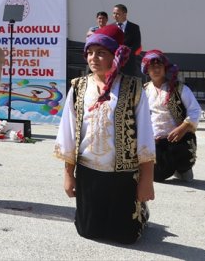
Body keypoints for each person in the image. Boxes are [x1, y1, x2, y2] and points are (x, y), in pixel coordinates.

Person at [54, 25, 155, 244]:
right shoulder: (79, 87)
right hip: (89, 173)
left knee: (126, 236)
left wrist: (146, 179)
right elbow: (68, 133)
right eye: (90, 52)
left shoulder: (133, 87)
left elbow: (146, 135)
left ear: (115, 55)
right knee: (88, 231)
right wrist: (68, 174)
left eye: (101, 53)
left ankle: (141, 211)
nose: (93, 58)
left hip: (122, 174)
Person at [142, 49, 201, 182]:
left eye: (159, 66)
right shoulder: (144, 90)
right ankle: (169, 167)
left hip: (178, 139)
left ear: (165, 68)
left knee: (184, 167)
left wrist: (183, 128)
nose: (156, 69)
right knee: (157, 176)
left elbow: (195, 110)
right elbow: (141, 117)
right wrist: (149, 136)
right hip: (155, 141)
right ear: (147, 70)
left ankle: (183, 168)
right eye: (152, 66)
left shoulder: (179, 88)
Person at [112, 4, 142, 77]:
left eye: (117, 14)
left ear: (125, 14)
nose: (115, 16)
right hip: (113, 63)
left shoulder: (134, 27)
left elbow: (137, 44)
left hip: (129, 63)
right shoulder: (111, 27)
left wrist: (125, 54)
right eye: (114, 13)